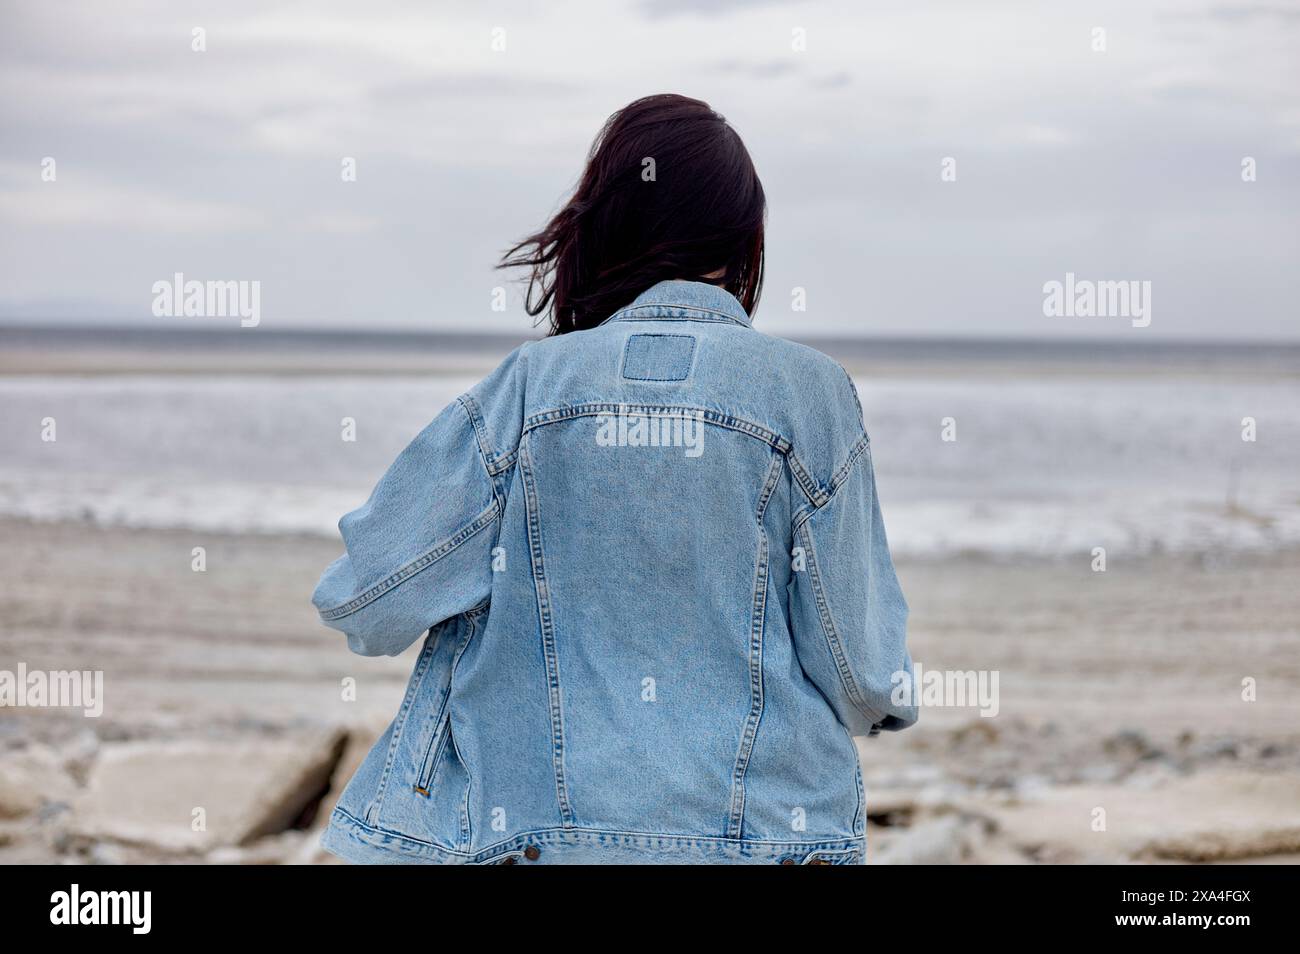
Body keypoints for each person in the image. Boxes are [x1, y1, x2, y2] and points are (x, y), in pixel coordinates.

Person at [312, 93, 916, 865]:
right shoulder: (809, 393)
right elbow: (862, 673)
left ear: (606, 224)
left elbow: (363, 598)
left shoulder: (527, 390)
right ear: (744, 241)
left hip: (542, 843)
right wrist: (889, 705)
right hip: (767, 842)